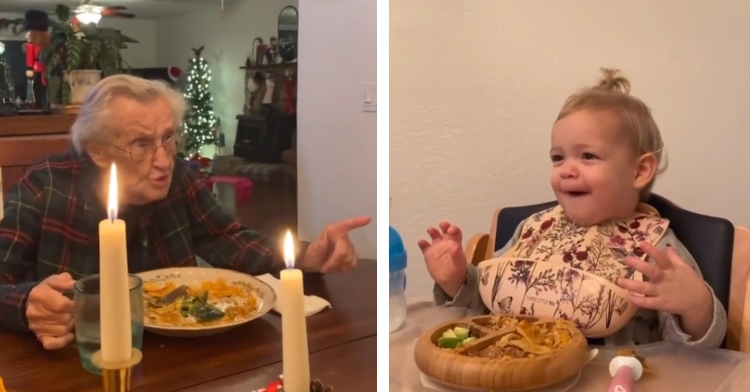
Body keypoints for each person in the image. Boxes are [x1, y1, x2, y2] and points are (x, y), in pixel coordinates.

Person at [0, 74, 371, 350]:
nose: (163, 161)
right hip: (80, 363)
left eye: (168, 138)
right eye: (142, 144)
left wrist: (307, 255)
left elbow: (227, 239)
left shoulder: (179, 178)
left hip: (185, 356)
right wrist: (26, 304)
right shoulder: (44, 187)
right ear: (97, 150)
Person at [420, 68, 726, 348]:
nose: (567, 169)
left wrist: (695, 305)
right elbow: (489, 298)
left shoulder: (657, 248)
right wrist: (457, 279)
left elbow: (695, 349)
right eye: (558, 157)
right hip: (520, 371)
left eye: (588, 156)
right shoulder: (534, 228)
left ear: (639, 171)